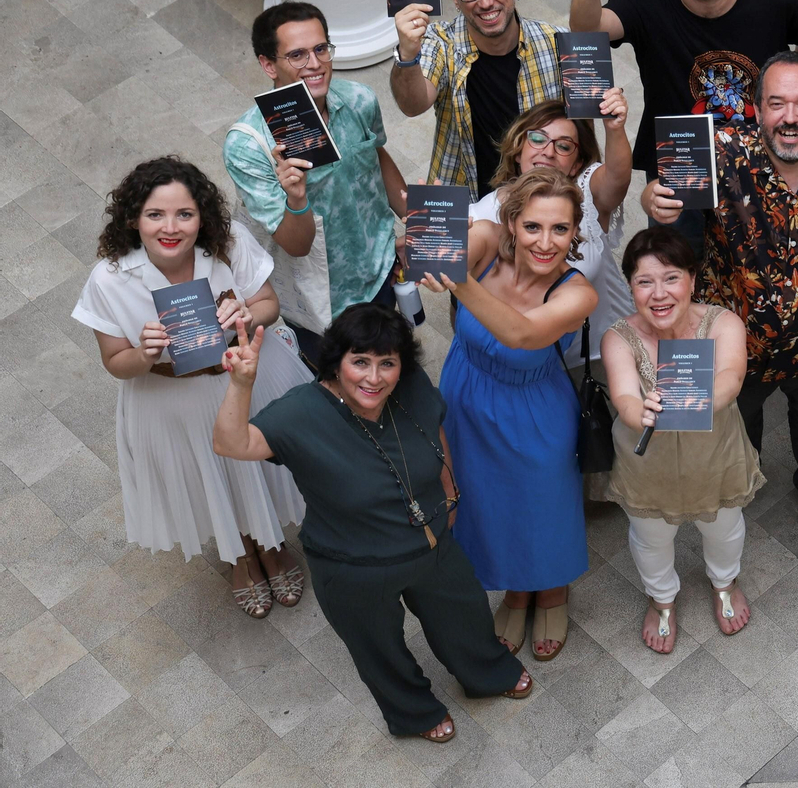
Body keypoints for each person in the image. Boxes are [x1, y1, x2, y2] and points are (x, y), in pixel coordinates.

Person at [212, 304, 533, 743]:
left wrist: (449, 488)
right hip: (353, 566)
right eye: (359, 362)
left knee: (466, 613)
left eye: (387, 363)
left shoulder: (411, 385)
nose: (374, 378)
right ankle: (415, 712)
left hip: (430, 541)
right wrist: (241, 384)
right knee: (378, 649)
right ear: (336, 361)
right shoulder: (301, 413)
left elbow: (434, 429)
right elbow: (231, 444)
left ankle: (488, 672)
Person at [644, 52, 798, 559]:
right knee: (735, 423)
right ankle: (734, 491)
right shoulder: (715, 152)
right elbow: (666, 214)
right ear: (756, 109)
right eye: (776, 103)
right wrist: (653, 197)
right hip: (733, 343)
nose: (790, 117)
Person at [74, 156, 310, 617]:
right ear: (132, 219)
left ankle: (274, 545)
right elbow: (114, 361)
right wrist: (143, 354)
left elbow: (269, 303)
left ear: (201, 215)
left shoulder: (229, 243)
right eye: (155, 214)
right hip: (170, 396)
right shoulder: (109, 278)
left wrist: (247, 314)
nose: (171, 227)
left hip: (242, 375)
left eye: (185, 214)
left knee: (259, 463)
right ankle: (243, 555)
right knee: (210, 476)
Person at [570, 0, 798, 244]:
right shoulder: (647, 1)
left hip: (763, 165)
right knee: (673, 275)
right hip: (680, 172)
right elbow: (587, 32)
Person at [421, 168, 597, 661]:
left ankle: (553, 590)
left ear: (574, 232)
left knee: (541, 504)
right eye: (534, 227)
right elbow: (422, 254)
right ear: (512, 223)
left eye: (560, 229)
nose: (546, 242)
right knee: (488, 503)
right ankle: (518, 591)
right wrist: (426, 233)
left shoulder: (577, 292)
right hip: (466, 396)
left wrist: (456, 282)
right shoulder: (484, 242)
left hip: (533, 411)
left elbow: (519, 334)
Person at [602, 228, 764, 653]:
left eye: (671, 278)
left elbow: (731, 376)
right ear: (630, 287)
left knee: (725, 528)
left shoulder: (722, 322)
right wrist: (643, 411)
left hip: (715, 456)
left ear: (692, 279)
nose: (660, 293)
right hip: (647, 465)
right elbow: (622, 396)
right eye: (644, 281)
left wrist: (698, 398)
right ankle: (662, 599)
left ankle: (724, 582)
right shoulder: (618, 337)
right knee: (650, 537)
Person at [224, 1, 409, 362]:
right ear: (267, 64)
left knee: (388, 364)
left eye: (321, 48)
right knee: (337, 390)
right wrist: (296, 197)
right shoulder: (248, 145)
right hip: (320, 301)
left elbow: (376, 156)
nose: (315, 63)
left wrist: (414, 218)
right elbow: (296, 245)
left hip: (380, 268)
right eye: (297, 55)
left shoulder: (359, 100)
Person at [468, 93, 634, 372]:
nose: (548, 151)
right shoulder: (487, 210)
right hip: (532, 360)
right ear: (518, 149)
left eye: (564, 146)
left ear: (577, 163)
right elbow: (447, 253)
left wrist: (614, 128)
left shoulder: (586, 190)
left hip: (605, 350)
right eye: (537, 138)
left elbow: (617, 179)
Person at [390, 0, 563, 198]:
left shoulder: (556, 43)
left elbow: (582, 138)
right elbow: (412, 105)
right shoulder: (440, 43)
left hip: (542, 201)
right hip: (465, 206)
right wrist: (407, 54)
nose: (485, 2)